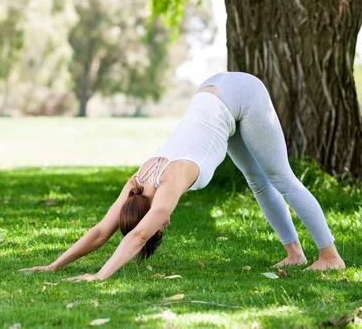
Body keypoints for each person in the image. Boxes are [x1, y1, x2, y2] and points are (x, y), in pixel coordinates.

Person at [20, 72, 345, 280]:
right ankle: (294, 253)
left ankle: (330, 256)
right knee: (257, 181)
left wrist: (99, 276)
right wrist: (54, 266)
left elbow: (137, 236)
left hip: (240, 93)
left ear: (153, 220)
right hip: (213, 98)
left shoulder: (168, 182)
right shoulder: (138, 181)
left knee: (280, 177)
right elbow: (102, 231)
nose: (167, 225)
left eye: (161, 228)